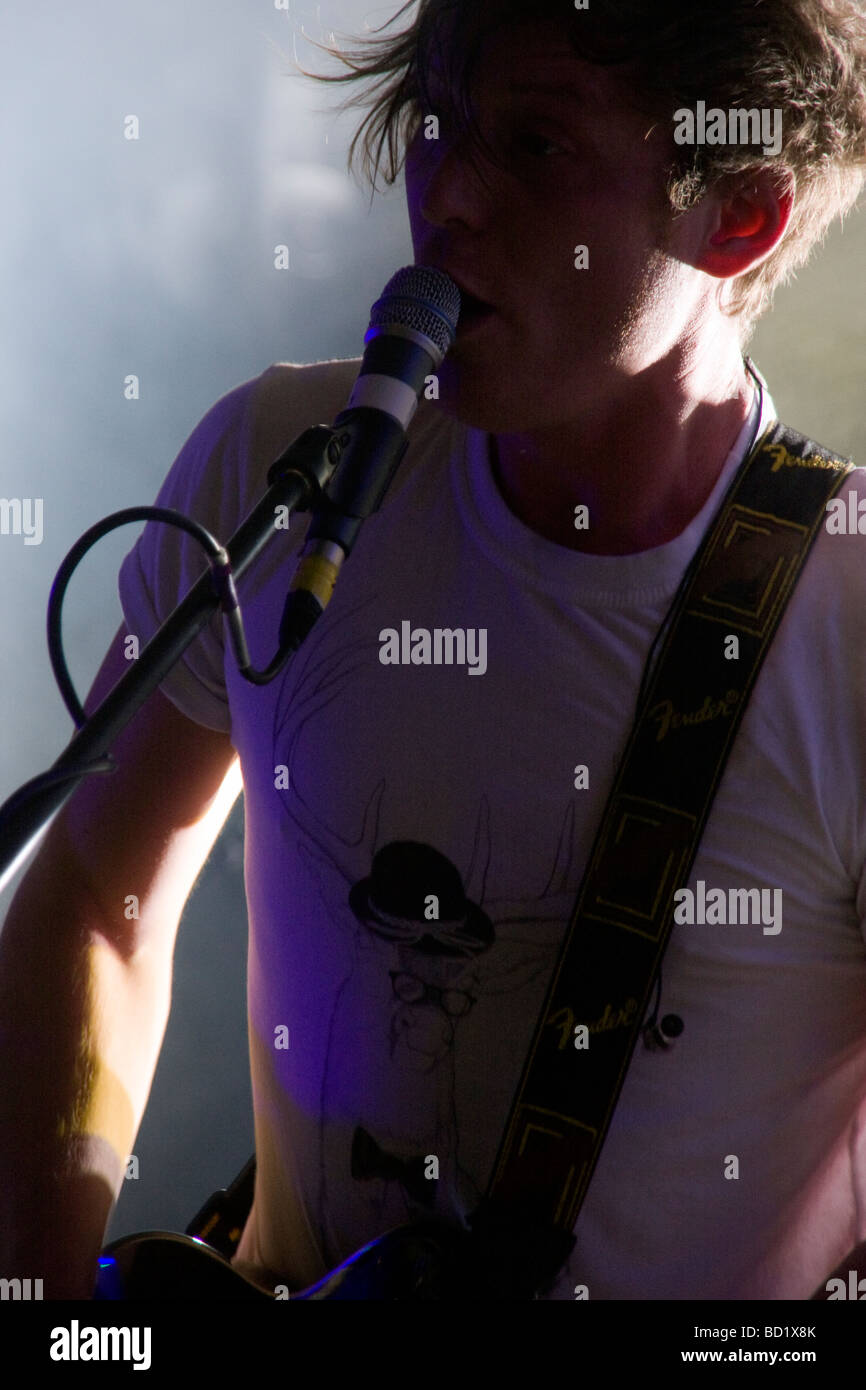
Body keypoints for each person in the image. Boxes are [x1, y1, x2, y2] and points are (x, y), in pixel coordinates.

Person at [2, 0, 866, 1301]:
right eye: (435, 122)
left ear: (735, 213)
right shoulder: (281, 462)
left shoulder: (846, 612)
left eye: (533, 146)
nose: (446, 194)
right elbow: (96, 892)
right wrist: (49, 1307)